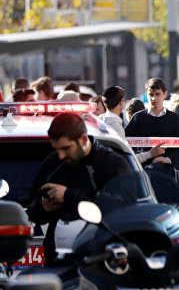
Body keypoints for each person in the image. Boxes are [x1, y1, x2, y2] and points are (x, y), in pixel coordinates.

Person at [25, 113, 130, 264]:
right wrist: (42, 206)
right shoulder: (53, 164)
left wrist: (69, 196)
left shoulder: (111, 163)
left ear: (83, 139)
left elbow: (123, 207)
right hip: (58, 260)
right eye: (57, 149)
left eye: (66, 148)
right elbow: (32, 209)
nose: (61, 155)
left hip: (103, 259)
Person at [126, 78, 179, 175]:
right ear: (146, 95)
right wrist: (148, 154)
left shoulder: (175, 119)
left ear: (165, 94)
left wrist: (168, 159)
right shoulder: (137, 118)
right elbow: (127, 146)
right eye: (151, 94)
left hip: (167, 174)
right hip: (143, 173)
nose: (153, 98)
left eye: (157, 94)